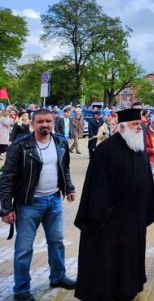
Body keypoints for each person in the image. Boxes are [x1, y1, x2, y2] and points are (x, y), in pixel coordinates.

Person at [74, 108, 154, 300]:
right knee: (111, 257)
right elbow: (98, 186)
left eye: (140, 124)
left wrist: (148, 208)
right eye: (134, 125)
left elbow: (147, 181)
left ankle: (131, 287)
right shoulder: (106, 150)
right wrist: (102, 215)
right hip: (112, 220)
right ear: (121, 127)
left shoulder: (138, 148)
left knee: (131, 256)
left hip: (134, 218)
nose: (139, 128)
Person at [0, 109, 76, 301]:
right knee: (24, 249)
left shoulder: (60, 142)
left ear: (53, 122)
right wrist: (5, 208)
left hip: (54, 201)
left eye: (48, 121)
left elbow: (64, 168)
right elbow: (7, 178)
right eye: (40, 121)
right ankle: (21, 289)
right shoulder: (20, 146)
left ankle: (58, 277)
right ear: (32, 123)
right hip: (28, 204)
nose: (45, 125)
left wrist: (69, 187)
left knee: (57, 242)